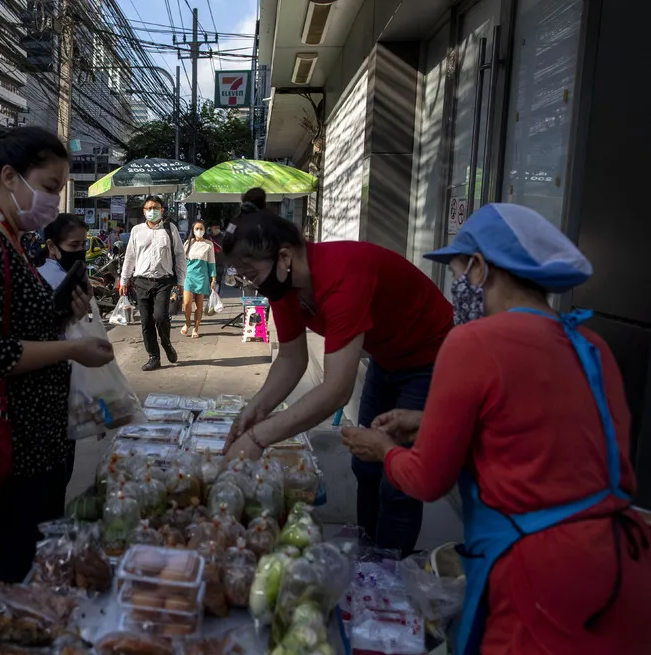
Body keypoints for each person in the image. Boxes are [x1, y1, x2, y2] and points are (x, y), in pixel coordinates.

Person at [342, 203, 651, 654]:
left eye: (458, 273)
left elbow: (427, 480)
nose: (457, 287)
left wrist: (383, 449)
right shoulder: (590, 344)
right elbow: (542, 426)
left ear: (481, 267)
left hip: (537, 575)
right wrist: (428, 421)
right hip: (622, 564)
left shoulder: (472, 342)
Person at [0, 128, 114, 639]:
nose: (54, 200)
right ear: (11, 178)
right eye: (50, 186)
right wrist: (72, 349)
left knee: (18, 581)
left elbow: (21, 328)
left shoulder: (14, 242)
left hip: (32, 446)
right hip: (1, 453)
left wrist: (64, 315)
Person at [220, 206, 453, 554]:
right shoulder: (284, 285)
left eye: (251, 273)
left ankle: (391, 570)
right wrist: (254, 409)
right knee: (365, 462)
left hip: (430, 358)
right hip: (386, 358)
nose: (252, 283)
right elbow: (291, 359)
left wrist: (258, 438)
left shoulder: (343, 275)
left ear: (284, 256)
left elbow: (336, 391)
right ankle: (369, 553)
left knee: (397, 479)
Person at [120, 196, 186, 371]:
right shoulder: (137, 231)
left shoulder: (169, 229)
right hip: (141, 281)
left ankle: (166, 343)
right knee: (146, 321)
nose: (152, 211)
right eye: (148, 208)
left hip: (163, 281)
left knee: (160, 317)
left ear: (161, 210)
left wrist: (181, 280)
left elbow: (180, 255)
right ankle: (154, 357)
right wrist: (124, 280)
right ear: (144, 211)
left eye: (155, 208)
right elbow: (130, 256)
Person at [181, 220, 217, 338]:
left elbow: (212, 263)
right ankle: (187, 322)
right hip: (188, 276)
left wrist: (213, 279)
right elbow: (182, 261)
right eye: (197, 228)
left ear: (205, 230)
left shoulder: (208, 244)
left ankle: (195, 328)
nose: (199, 231)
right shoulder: (188, 243)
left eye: (201, 228)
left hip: (202, 277)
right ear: (193, 230)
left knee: (199, 305)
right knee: (187, 303)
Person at [38, 212, 89, 289]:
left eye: (84, 244)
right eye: (74, 245)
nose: (81, 250)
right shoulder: (64, 282)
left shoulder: (39, 272)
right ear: (51, 246)